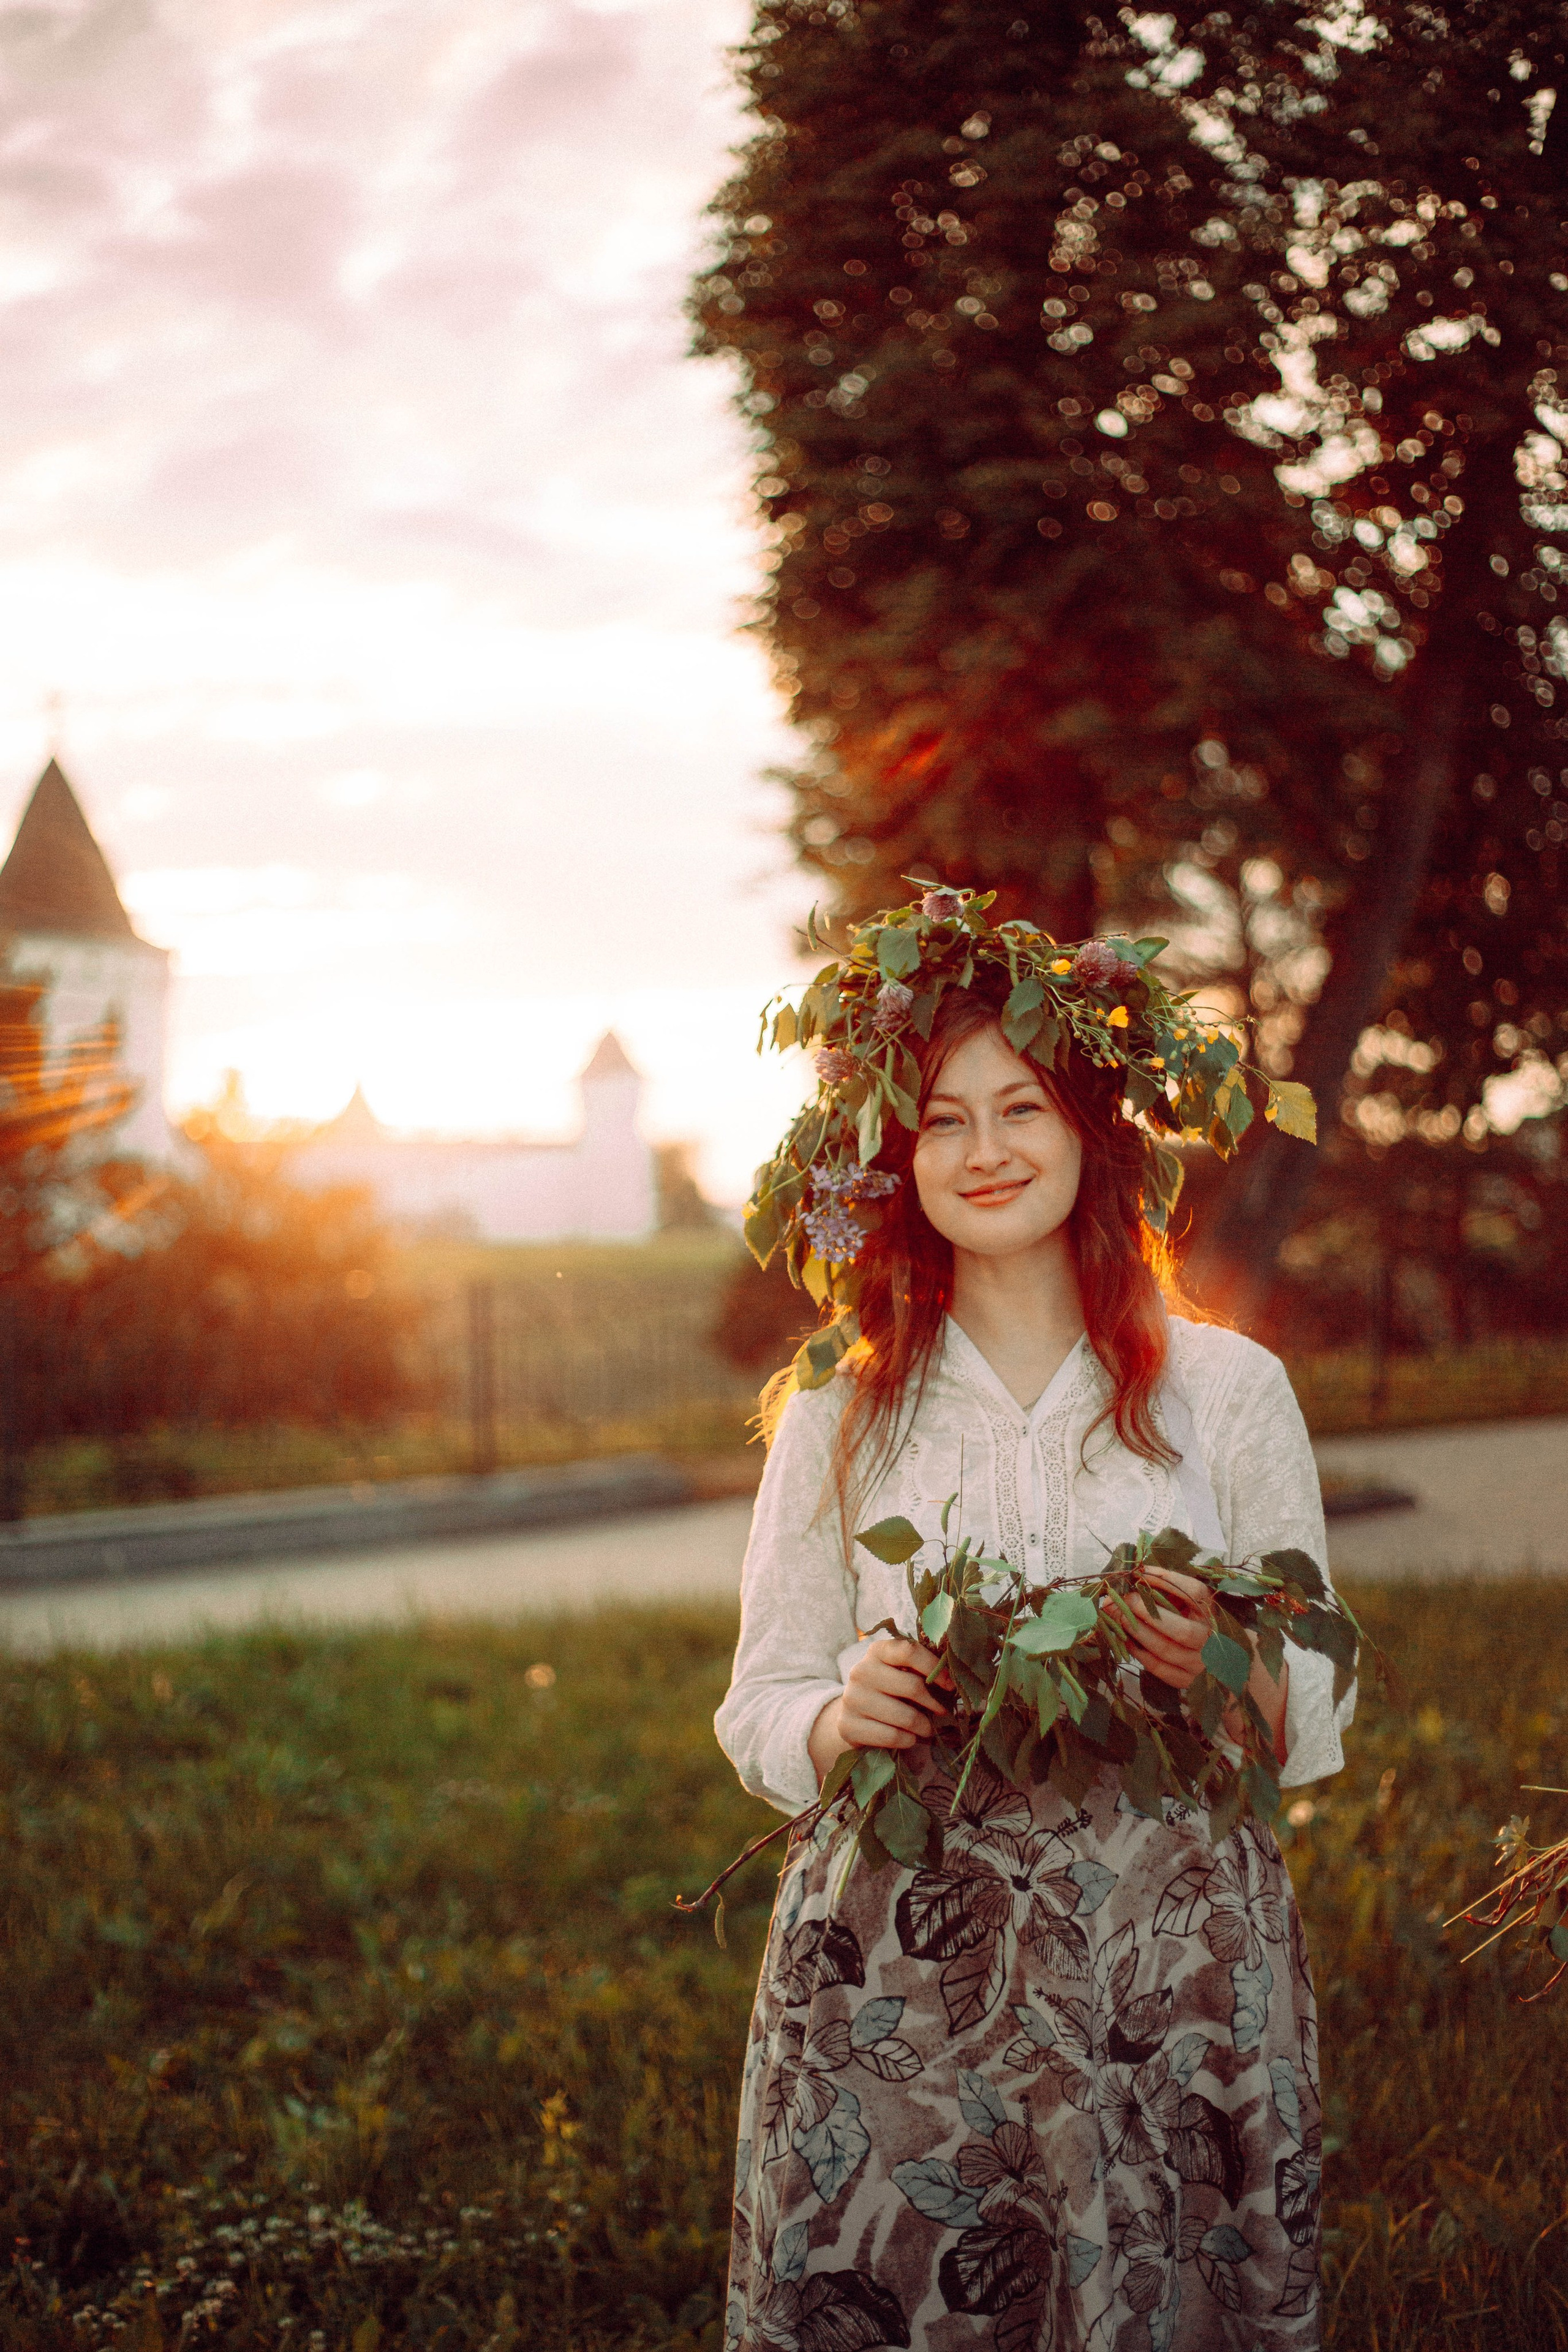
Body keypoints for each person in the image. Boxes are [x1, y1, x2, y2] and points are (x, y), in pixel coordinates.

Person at [715, 896, 1352, 2352]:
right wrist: (833, 1717)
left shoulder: (1226, 1392)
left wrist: (1225, 1667)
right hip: (904, 1968)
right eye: (943, 1119)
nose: (986, 1148)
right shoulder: (838, 1408)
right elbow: (760, 1701)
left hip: (1170, 1947)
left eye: (1021, 1107)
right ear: (895, 1153)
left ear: (1090, 1132)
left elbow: (1309, 1712)